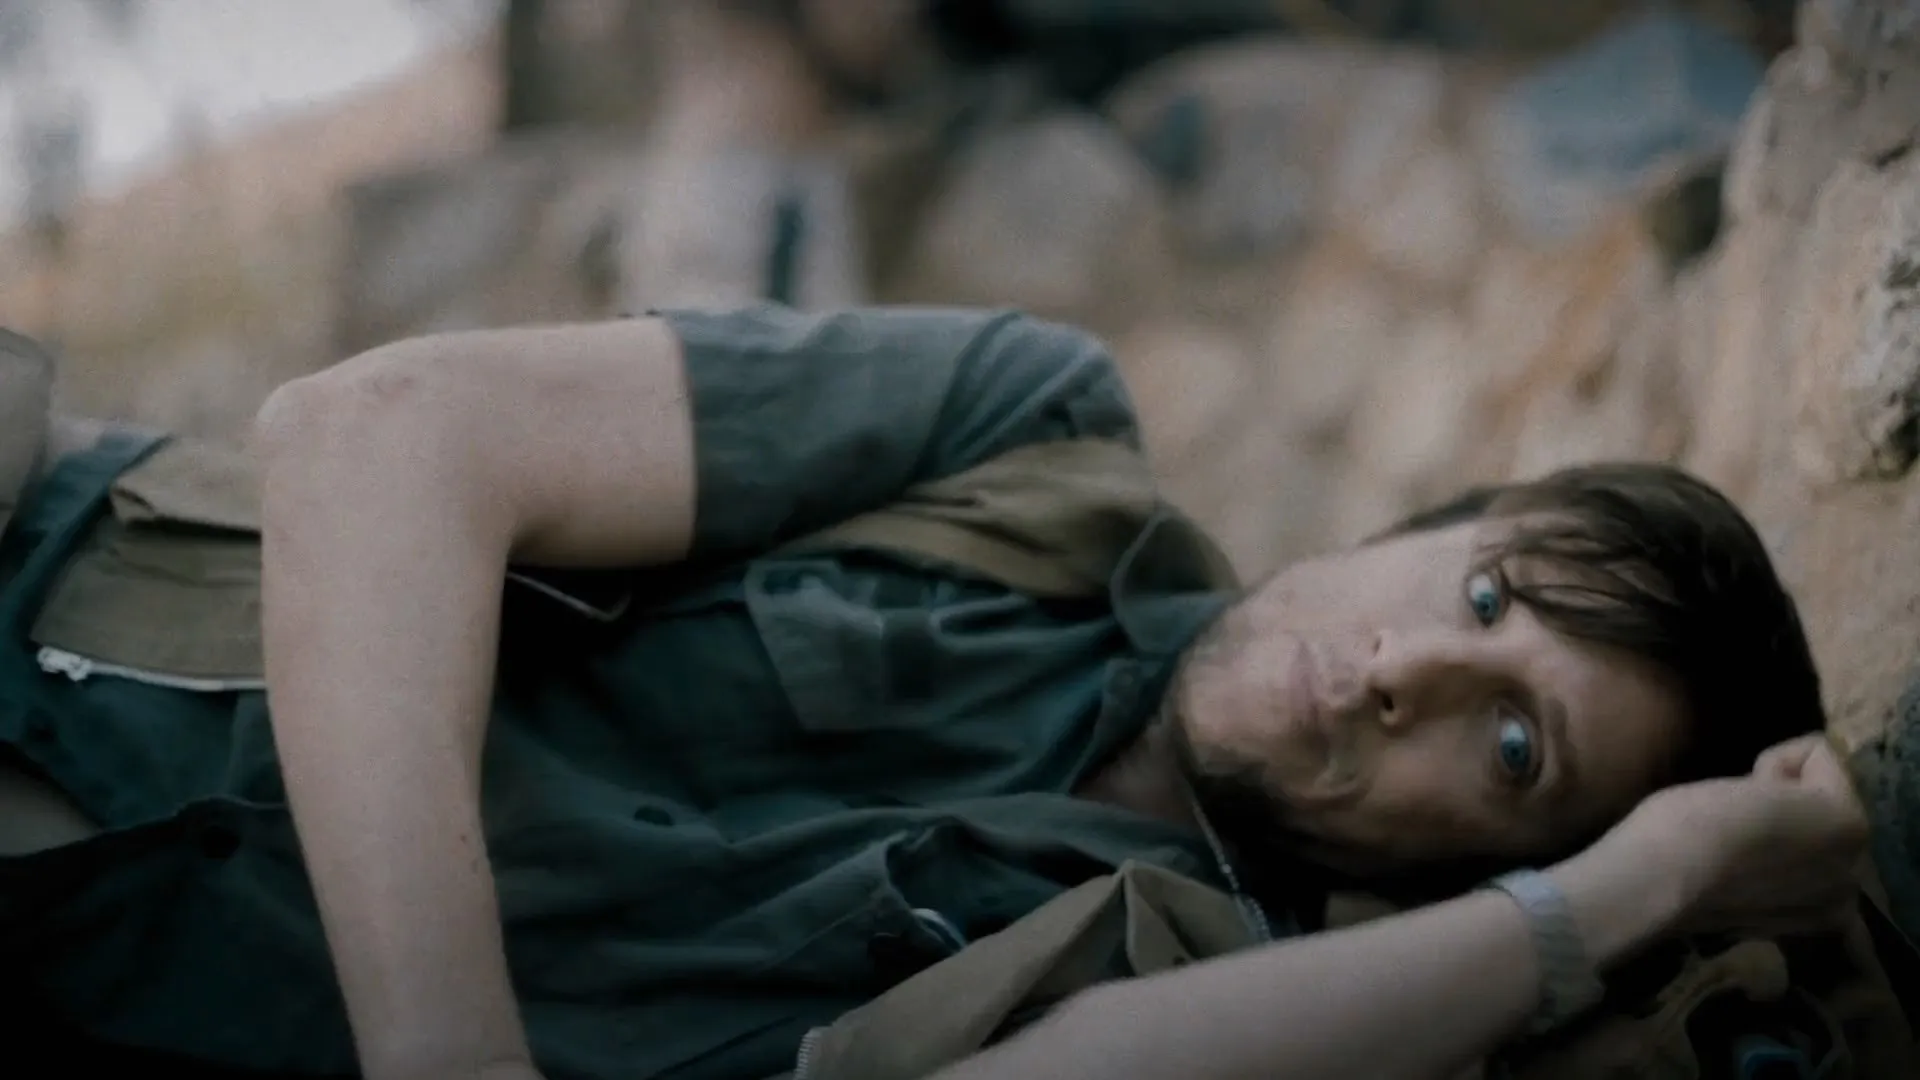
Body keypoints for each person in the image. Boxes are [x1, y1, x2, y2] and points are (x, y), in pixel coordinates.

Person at [0, 306, 1867, 1080]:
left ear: (1495, 871)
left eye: (1515, 746)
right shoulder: (1035, 436)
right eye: (1482, 593)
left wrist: (1637, 891)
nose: (1408, 674)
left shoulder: (1210, 986)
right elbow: (376, 436)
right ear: (1436, 520)